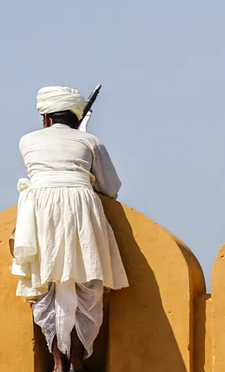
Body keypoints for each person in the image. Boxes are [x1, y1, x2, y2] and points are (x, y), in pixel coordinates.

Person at [13, 86, 128, 372]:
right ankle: (76, 360)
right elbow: (111, 188)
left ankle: (55, 361)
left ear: (46, 118)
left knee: (44, 284)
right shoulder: (90, 141)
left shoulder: (27, 140)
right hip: (81, 210)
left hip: (39, 212)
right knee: (85, 285)